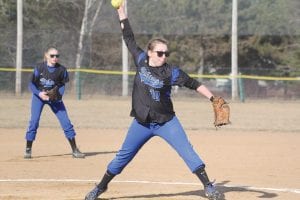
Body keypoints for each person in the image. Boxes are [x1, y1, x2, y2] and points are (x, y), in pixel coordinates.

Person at [85, 1, 223, 200]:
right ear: (150, 52)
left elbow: (194, 84)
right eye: (160, 53)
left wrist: (212, 98)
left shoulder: (172, 72)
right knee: (122, 158)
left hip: (166, 121)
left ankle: (208, 187)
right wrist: (121, 12)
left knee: (187, 152)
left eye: (166, 53)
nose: (163, 56)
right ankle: (100, 187)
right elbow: (128, 37)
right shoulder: (141, 59)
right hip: (142, 122)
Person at [24, 47, 85, 159]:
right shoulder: (39, 67)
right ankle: (28, 149)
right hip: (39, 97)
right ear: (47, 56)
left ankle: (75, 150)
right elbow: (31, 84)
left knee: (66, 122)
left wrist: (57, 97)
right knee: (34, 121)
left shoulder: (62, 70)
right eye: (52, 55)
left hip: (54, 98)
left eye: (57, 56)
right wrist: (39, 93)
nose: (55, 58)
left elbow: (62, 85)